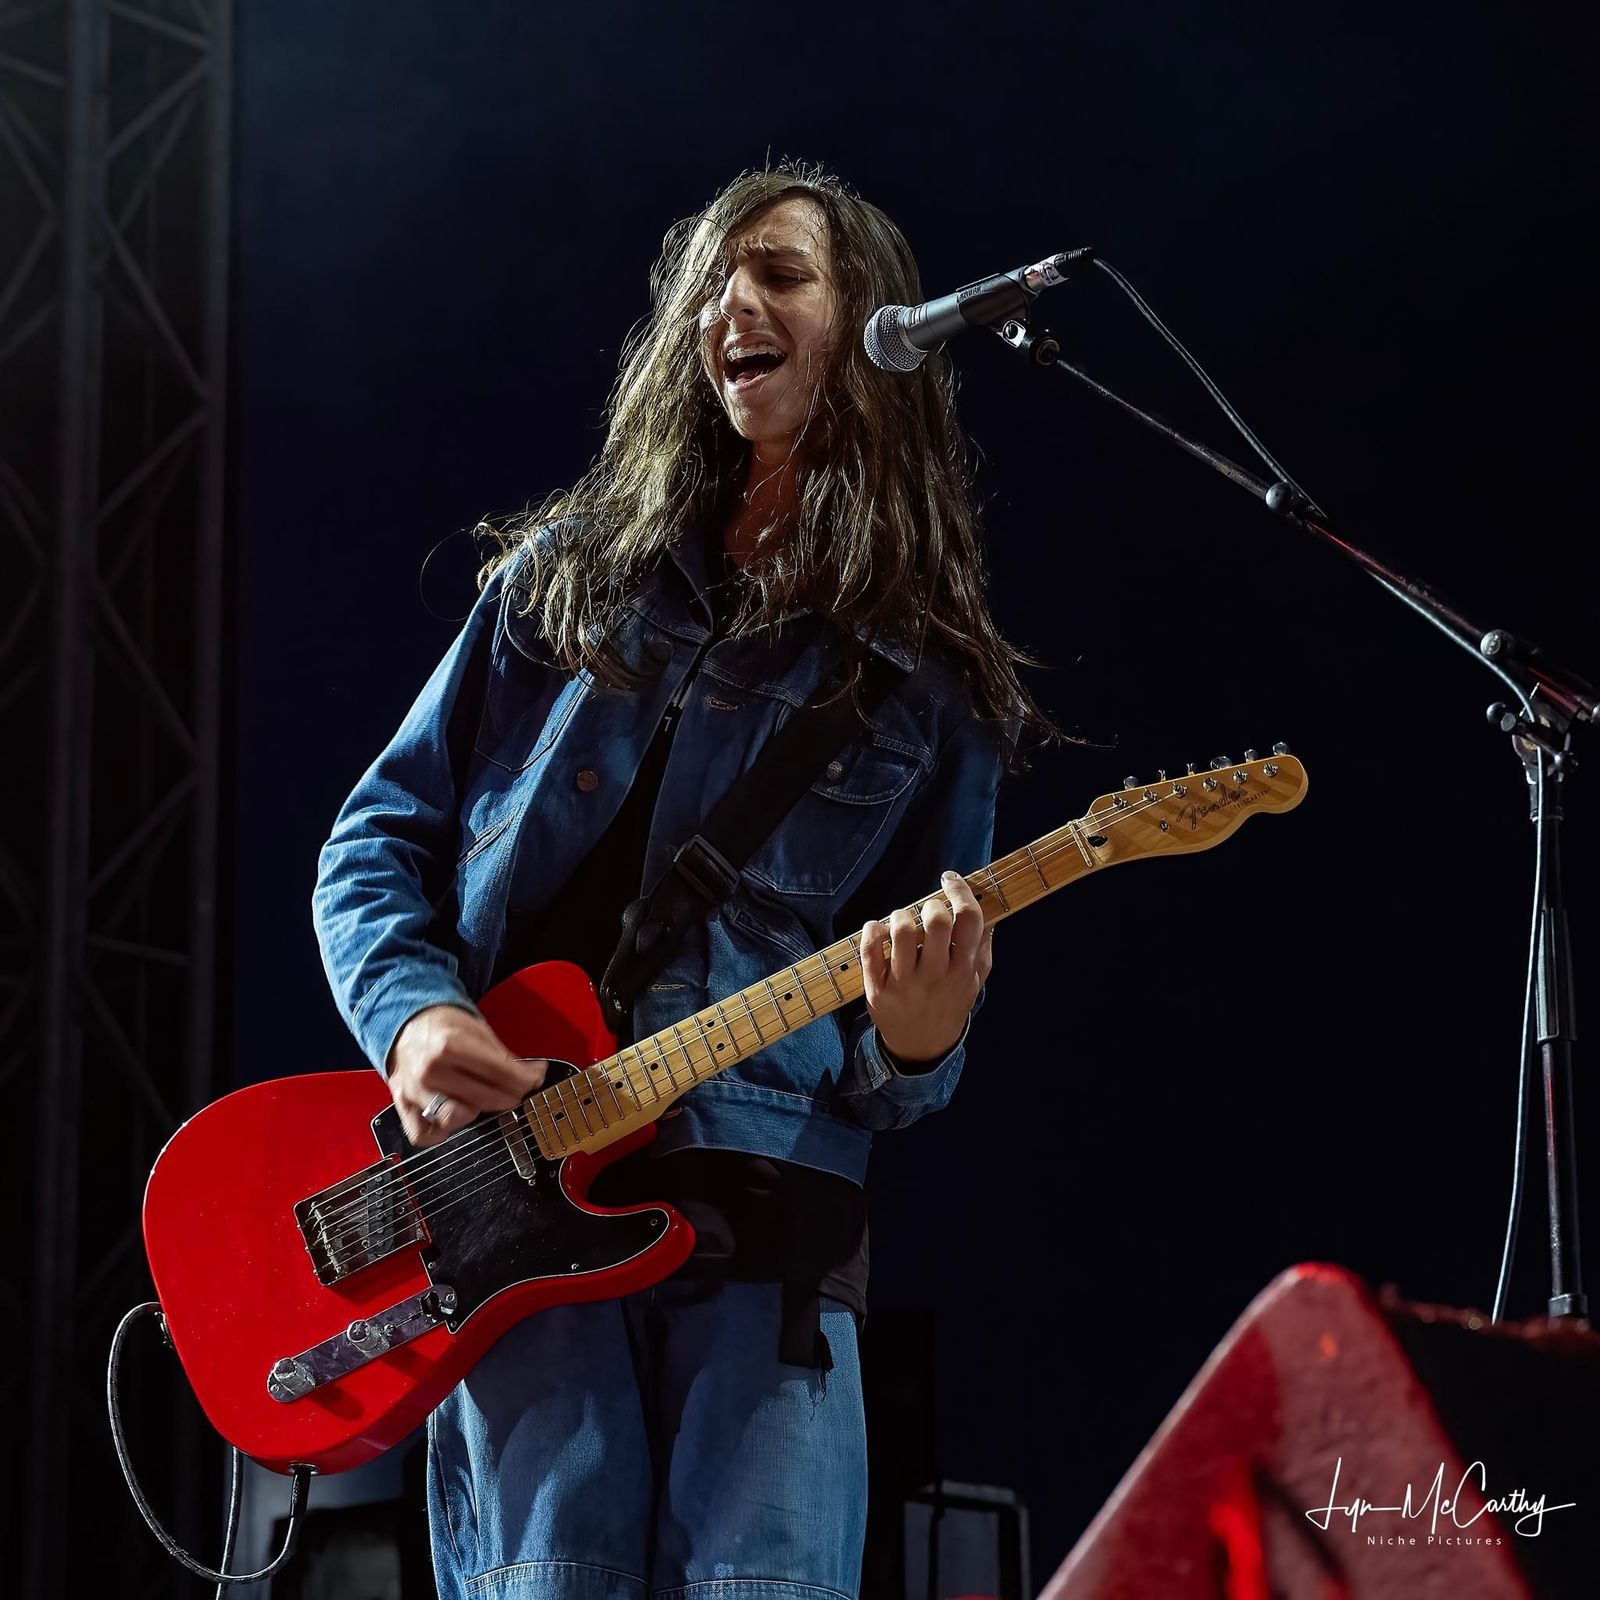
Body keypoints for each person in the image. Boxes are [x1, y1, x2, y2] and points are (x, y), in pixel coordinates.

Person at [313, 162, 1059, 1600]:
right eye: (714, 281)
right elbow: (376, 838)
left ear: (869, 324)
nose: (735, 306)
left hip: (769, 1233)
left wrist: (917, 1040)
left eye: (780, 274)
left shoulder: (925, 684)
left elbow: (903, 1056)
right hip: (513, 1212)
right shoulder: (565, 581)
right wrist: (414, 1021)